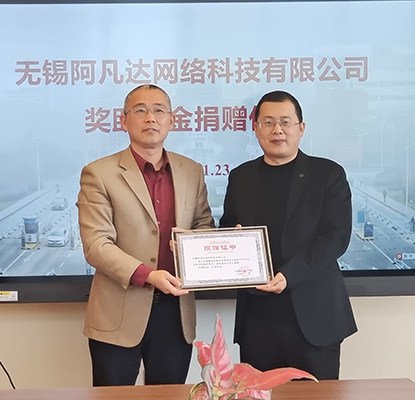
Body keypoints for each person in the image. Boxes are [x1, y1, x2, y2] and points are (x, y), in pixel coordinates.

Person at [76, 84, 214, 386]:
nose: (150, 117)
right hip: (117, 311)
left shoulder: (191, 171)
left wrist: (202, 243)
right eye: (140, 110)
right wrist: (148, 275)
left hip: (175, 314)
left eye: (159, 110)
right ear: (123, 120)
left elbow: (204, 225)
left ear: (171, 120)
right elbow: (96, 244)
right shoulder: (99, 173)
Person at [219, 91, 357, 380]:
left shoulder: (327, 174)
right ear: (256, 128)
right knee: (258, 395)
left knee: (317, 397)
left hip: (315, 318)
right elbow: (228, 228)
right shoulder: (241, 177)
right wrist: (230, 241)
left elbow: (336, 237)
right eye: (268, 122)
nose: (277, 130)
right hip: (257, 319)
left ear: (301, 128)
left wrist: (287, 275)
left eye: (285, 122)